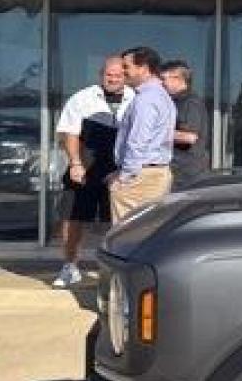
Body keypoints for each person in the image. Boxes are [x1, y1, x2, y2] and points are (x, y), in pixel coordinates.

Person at [50, 56, 133, 287]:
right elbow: (69, 133)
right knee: (73, 217)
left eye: (118, 75)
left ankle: (116, 271)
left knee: (119, 221)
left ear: (126, 76)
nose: (113, 78)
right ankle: (70, 266)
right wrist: (75, 163)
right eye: (109, 74)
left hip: (121, 169)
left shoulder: (137, 98)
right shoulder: (82, 98)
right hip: (84, 166)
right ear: (101, 74)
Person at [107, 46, 177, 221]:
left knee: (128, 237)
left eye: (126, 66)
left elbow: (138, 141)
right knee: (147, 233)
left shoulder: (146, 99)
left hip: (140, 178)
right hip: (152, 174)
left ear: (143, 68)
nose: (123, 71)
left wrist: (124, 177)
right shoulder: (161, 96)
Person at [158, 59, 210, 190]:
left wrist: (154, 132)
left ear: (178, 79)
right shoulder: (174, 101)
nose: (161, 83)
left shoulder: (190, 102)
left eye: (164, 79)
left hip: (186, 176)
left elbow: (189, 137)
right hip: (179, 172)